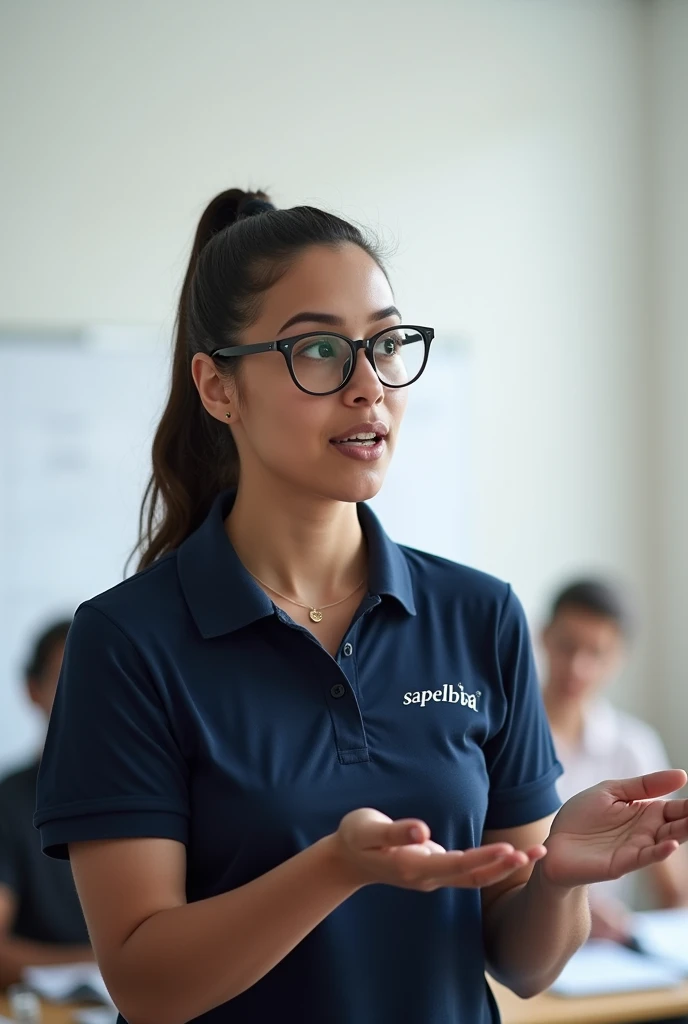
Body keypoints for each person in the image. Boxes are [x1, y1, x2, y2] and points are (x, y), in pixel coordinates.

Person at [34, 189, 688, 1024]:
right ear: (218, 386)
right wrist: (335, 866)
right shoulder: (126, 642)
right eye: (318, 350)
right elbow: (145, 983)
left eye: (385, 344)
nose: (368, 386)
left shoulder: (478, 614)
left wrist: (558, 872)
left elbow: (524, 966)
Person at [542, 578, 688, 944]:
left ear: (619, 657)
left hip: (606, 955)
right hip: (528, 942)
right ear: (544, 636)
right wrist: (580, 910)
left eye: (597, 653)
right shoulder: (505, 737)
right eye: (567, 646)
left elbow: (672, 886)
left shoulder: (633, 746)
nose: (578, 667)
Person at [0, 620, 91, 988]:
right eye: (65, 679)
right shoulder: (8, 801)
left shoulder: (164, 793)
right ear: (32, 690)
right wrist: (110, 963)